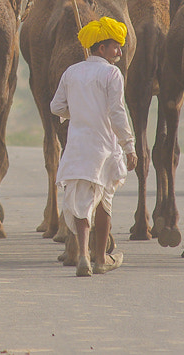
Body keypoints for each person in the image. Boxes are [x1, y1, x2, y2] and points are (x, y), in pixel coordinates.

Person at [50, 16, 137, 277]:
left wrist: (74, 112)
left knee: (81, 202)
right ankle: (101, 259)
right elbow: (117, 112)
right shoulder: (112, 73)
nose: (120, 52)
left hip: (77, 147)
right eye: (115, 46)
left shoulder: (71, 72)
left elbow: (55, 107)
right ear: (101, 48)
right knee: (104, 203)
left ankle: (83, 256)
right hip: (104, 147)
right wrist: (129, 145)